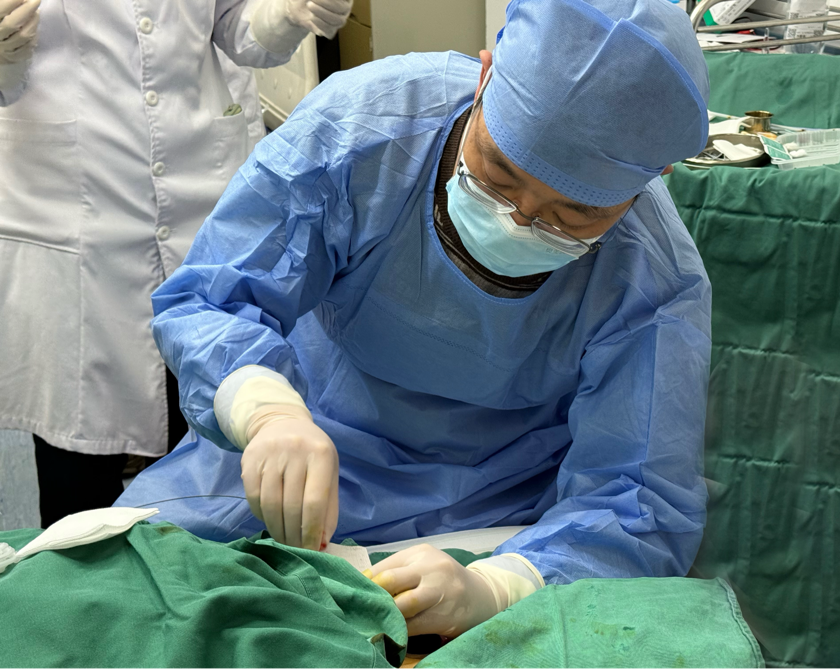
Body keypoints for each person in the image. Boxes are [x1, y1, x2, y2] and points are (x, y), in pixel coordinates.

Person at [118, 0, 712, 638]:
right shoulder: (364, 131)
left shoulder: (652, 281)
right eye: (500, 172)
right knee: (133, 592)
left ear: (655, 177)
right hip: (306, 440)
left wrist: (502, 585)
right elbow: (213, 295)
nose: (518, 220)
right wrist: (264, 410)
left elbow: (637, 499)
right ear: (485, 76)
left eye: (573, 212)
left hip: (502, 503)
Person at [0, 0, 352, 528]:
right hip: (72, 202)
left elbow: (234, 25)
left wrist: (285, 15)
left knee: (210, 433)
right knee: (77, 456)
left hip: (200, 184)